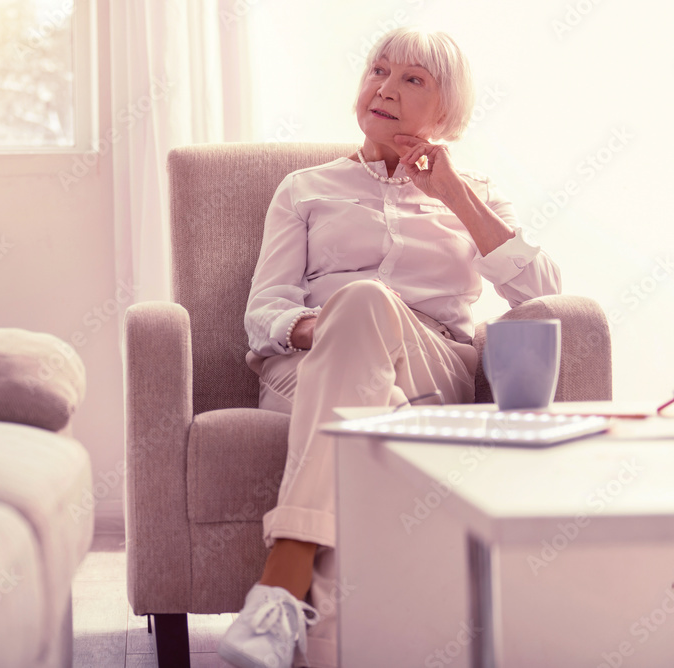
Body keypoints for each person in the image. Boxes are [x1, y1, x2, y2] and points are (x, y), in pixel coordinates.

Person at [217, 27, 562, 668]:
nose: (386, 87)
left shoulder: (473, 192)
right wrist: (331, 326)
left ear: (446, 109)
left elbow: (541, 291)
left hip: (432, 365)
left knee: (367, 307)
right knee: (362, 313)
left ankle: (280, 585)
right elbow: (263, 310)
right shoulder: (304, 188)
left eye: (413, 79)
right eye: (379, 70)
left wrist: (454, 197)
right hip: (308, 367)